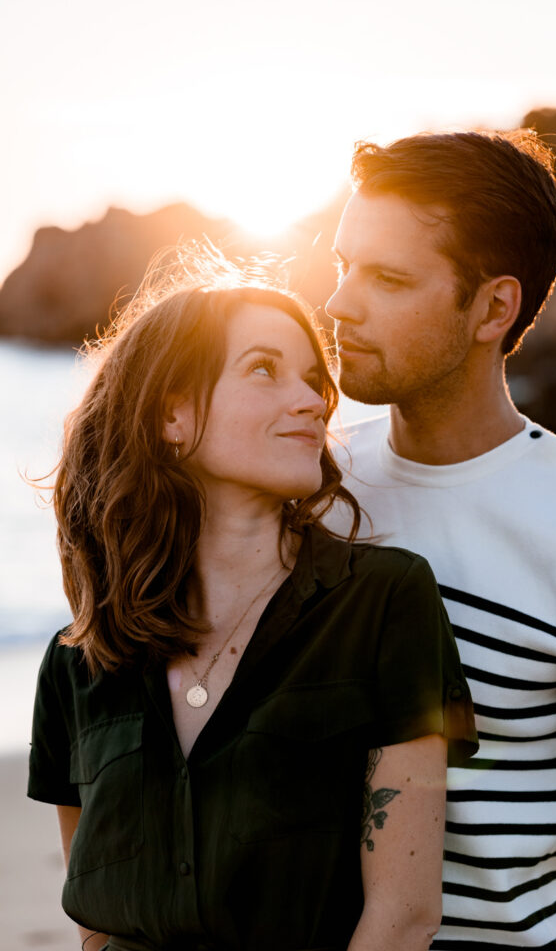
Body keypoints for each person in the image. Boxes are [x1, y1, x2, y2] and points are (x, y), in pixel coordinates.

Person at [28, 252, 478, 951]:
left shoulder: (382, 600)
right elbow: (97, 923)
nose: (311, 401)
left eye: (311, 379)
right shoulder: (76, 665)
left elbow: (402, 915)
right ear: (171, 415)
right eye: (264, 370)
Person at [325, 131, 556, 951]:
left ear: (493, 308)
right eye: (343, 265)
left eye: (386, 278)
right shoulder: (313, 488)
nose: (340, 303)